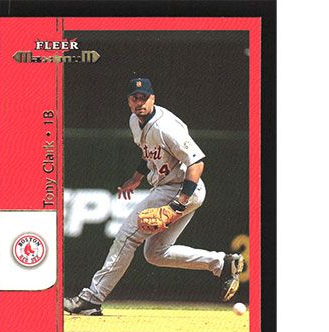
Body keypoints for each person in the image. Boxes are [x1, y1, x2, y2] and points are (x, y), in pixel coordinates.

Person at [64, 77, 245, 316]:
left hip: (181, 189)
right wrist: (136, 178)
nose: (139, 102)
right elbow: (148, 152)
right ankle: (222, 263)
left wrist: (178, 204)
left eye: (144, 97)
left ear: (153, 99)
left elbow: (197, 162)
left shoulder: (166, 127)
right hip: (172, 187)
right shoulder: (134, 121)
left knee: (127, 237)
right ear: (129, 101)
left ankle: (92, 298)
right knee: (155, 254)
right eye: (134, 98)